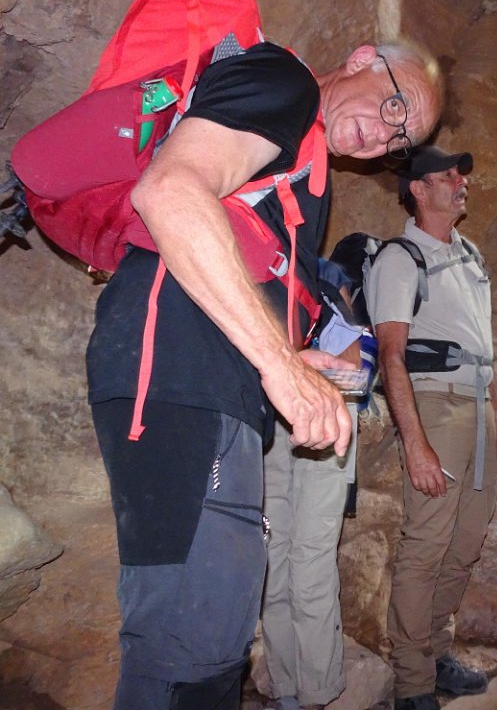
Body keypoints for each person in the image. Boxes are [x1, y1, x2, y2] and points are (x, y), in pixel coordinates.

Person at [86, 38, 442, 710]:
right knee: (191, 642)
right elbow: (170, 189)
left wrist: (291, 357)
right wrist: (278, 363)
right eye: (395, 106)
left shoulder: (305, 160)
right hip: (181, 375)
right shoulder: (286, 83)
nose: (383, 136)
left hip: (209, 383)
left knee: (212, 630)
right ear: (363, 58)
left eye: (399, 139)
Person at [364, 146, 497, 710]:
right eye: (446, 175)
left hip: (475, 406)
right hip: (435, 406)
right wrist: (416, 443)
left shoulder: (470, 254)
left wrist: (495, 404)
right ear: (418, 190)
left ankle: (437, 651)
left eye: (461, 174)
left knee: (465, 543)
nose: (459, 181)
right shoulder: (400, 259)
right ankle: (413, 680)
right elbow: (391, 355)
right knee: (425, 546)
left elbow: (481, 341)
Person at [260, 273, 364, 710]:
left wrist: (298, 368)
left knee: (310, 557)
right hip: (265, 416)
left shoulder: (324, 279)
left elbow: (351, 365)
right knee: (271, 555)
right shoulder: (253, 272)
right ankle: (285, 687)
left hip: (324, 410)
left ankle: (315, 692)